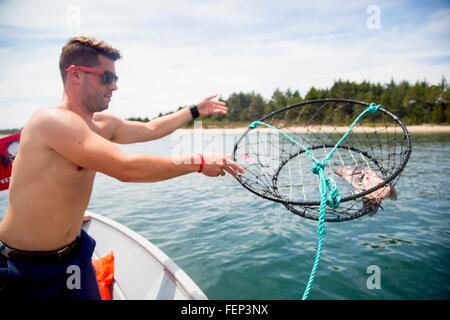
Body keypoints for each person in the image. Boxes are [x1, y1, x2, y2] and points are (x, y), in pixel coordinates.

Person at [0, 36, 244, 300]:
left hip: (74, 258)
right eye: (107, 77)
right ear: (75, 74)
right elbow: (125, 168)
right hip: (23, 268)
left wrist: (195, 110)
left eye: (116, 79)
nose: (114, 86)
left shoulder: (101, 124)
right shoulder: (51, 121)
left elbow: (151, 128)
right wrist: (198, 163)